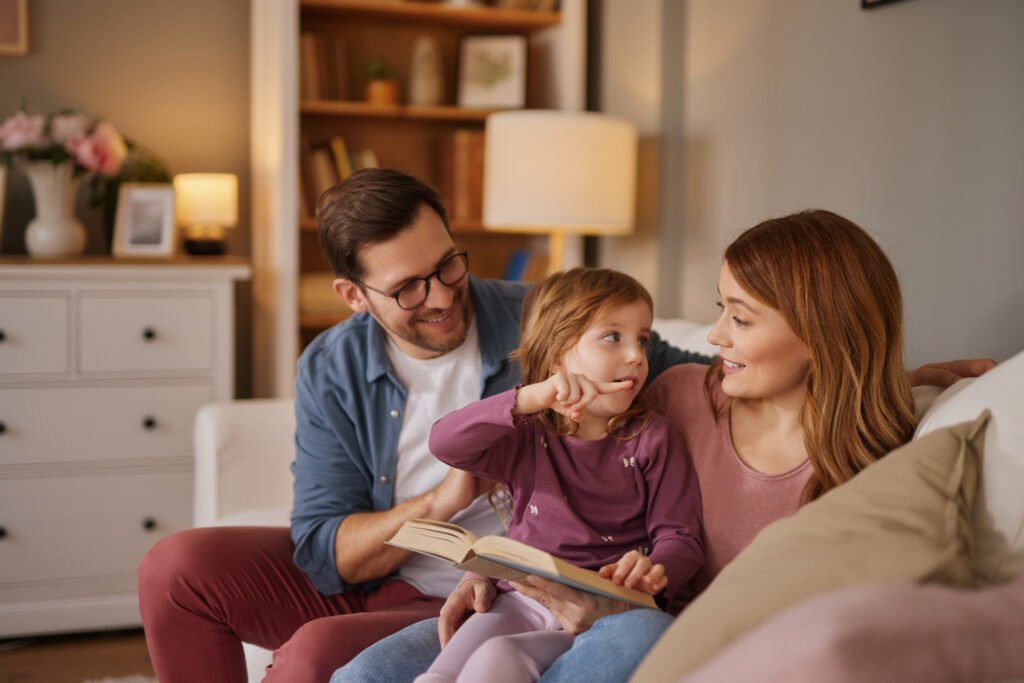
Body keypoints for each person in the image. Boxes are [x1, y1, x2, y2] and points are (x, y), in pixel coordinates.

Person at [331, 209, 997, 683]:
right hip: (525, 601)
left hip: (641, 636)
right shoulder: (679, 392)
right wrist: (499, 566)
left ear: (821, 334)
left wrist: (901, 382)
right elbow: (571, 444)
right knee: (364, 672)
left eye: (739, 317)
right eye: (720, 309)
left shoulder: (864, 476)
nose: (714, 335)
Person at [136, 168, 708, 683]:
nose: (440, 297)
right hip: (374, 575)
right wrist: (441, 501)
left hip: (470, 592)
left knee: (314, 655)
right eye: (408, 287)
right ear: (353, 296)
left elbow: (694, 364)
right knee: (176, 568)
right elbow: (321, 550)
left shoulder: (546, 318)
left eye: (448, 266)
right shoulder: (331, 364)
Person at [413, 268, 704, 682]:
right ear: (558, 356)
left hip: (602, 612)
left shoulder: (653, 438)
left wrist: (653, 573)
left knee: (500, 659)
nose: (637, 355)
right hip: (518, 599)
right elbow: (446, 443)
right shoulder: (529, 434)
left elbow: (681, 537)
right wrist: (529, 398)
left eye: (642, 338)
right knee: (442, 674)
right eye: (612, 337)